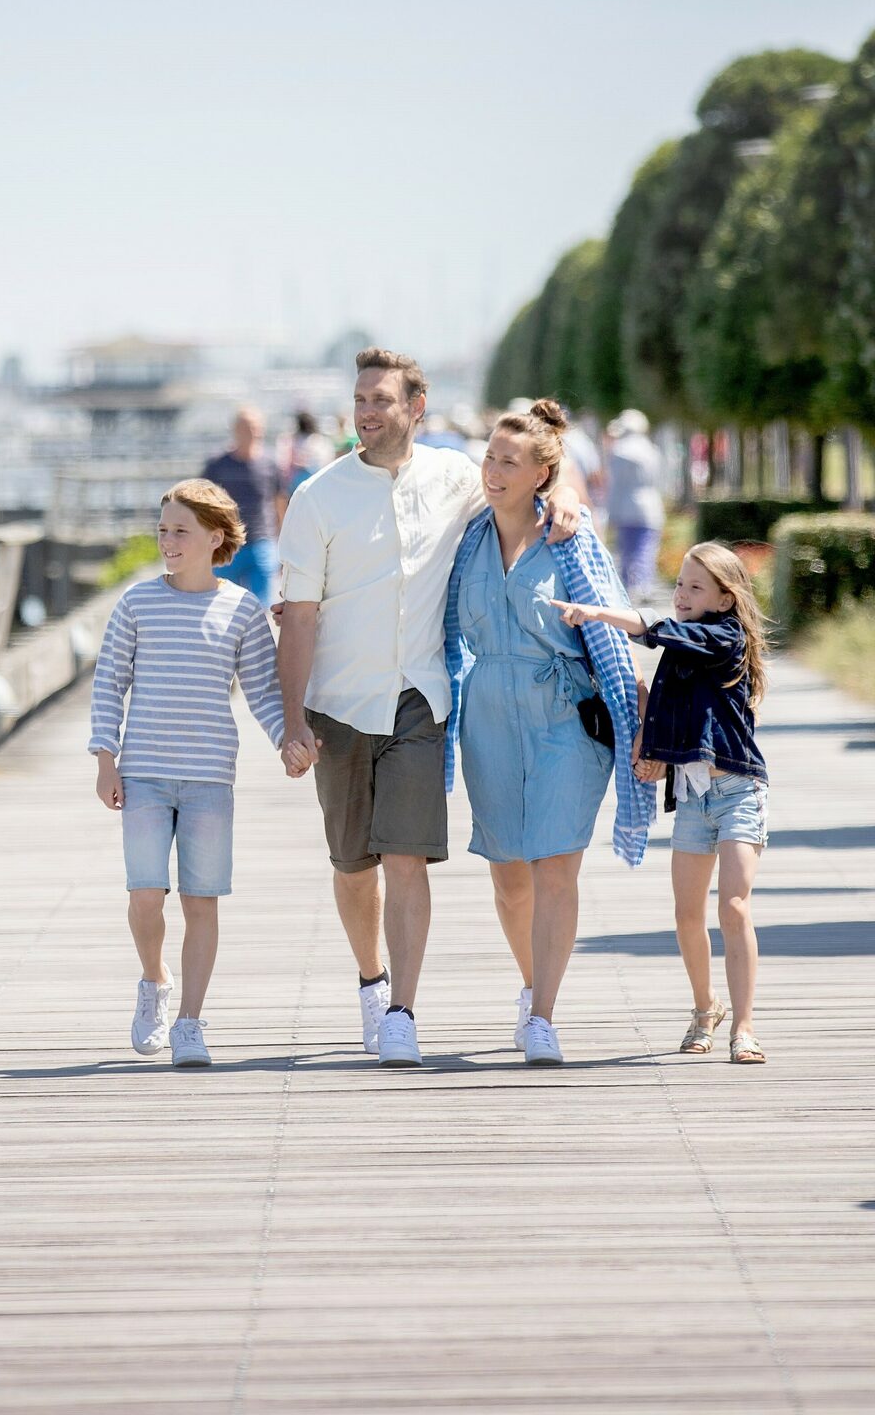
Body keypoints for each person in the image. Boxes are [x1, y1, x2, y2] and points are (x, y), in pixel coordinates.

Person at [276, 348, 584, 1068]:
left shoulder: (454, 478)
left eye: (382, 400)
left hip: (421, 699)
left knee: (406, 858)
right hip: (339, 705)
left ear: (417, 408)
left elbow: (527, 485)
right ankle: (371, 982)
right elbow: (296, 616)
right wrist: (292, 721)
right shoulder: (318, 497)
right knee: (354, 866)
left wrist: (567, 500)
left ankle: (403, 1012)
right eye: (360, 399)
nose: (366, 412)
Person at [442, 401, 653, 1067]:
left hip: (565, 713)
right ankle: (530, 982)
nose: (495, 471)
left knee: (555, 865)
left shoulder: (572, 536)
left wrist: (640, 711)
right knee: (509, 877)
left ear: (541, 474)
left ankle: (543, 1017)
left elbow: (616, 617)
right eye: (491, 458)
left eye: (511, 462)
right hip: (488, 717)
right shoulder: (466, 534)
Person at [88, 478, 286, 1068]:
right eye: (163, 530)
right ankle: (154, 981)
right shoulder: (137, 604)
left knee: (203, 901)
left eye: (181, 531)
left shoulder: (242, 610)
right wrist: (105, 758)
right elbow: (109, 682)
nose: (168, 541)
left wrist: (288, 742)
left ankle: (190, 1023)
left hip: (208, 780)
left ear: (214, 538)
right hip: (144, 773)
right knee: (146, 897)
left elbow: (263, 692)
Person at [552, 541, 771, 1064]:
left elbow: (658, 629)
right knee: (686, 914)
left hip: (739, 789)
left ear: (723, 600)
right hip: (694, 796)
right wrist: (650, 751)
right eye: (679, 584)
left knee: (734, 906)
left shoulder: (723, 636)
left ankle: (744, 1026)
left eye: (695, 587)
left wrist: (597, 611)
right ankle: (705, 1009)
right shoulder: (681, 652)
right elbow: (666, 706)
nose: (681, 595)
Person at [204, 408, 283, 604]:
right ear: (235, 430)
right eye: (246, 428)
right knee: (223, 603)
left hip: (262, 541)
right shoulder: (217, 465)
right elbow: (202, 503)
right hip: (226, 544)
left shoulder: (270, 464)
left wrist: (283, 542)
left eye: (255, 428)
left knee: (259, 606)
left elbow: (280, 503)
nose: (252, 433)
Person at [605, 409, 665, 599]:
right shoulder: (652, 450)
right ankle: (644, 585)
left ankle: (627, 587)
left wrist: (611, 512)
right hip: (650, 504)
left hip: (625, 506)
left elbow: (615, 485)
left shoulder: (619, 452)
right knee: (646, 548)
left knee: (626, 551)